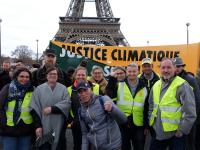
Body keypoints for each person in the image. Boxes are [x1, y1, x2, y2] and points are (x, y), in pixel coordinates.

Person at [149, 58, 196, 150]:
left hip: (175, 135)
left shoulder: (182, 85)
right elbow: (151, 105)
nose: (166, 70)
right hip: (158, 132)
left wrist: (181, 131)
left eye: (169, 67)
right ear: (160, 69)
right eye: (163, 68)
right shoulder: (156, 85)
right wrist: (151, 122)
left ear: (174, 68)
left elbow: (190, 112)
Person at [106, 63, 149, 150]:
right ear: (126, 72)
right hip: (123, 122)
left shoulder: (144, 86)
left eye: (134, 71)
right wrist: (111, 79)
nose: (132, 73)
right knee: (124, 146)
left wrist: (147, 125)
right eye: (129, 71)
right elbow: (109, 95)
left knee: (139, 147)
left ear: (138, 71)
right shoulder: (119, 84)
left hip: (139, 124)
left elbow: (147, 107)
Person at [77, 80, 127, 150]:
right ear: (78, 94)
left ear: (90, 89)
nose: (83, 94)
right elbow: (85, 133)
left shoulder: (103, 100)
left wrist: (112, 109)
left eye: (85, 90)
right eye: (80, 92)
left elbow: (124, 119)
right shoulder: (80, 111)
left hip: (112, 147)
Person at [30, 67, 71, 150]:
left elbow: (67, 103)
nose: (53, 75)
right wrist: (38, 126)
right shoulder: (39, 89)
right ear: (46, 76)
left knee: (58, 146)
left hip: (59, 126)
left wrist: (52, 109)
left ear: (57, 76)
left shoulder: (63, 88)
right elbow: (34, 108)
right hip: (44, 126)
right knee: (44, 146)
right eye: (50, 74)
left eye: (55, 74)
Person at [0, 67, 34, 150]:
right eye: (21, 76)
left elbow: (35, 110)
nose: (24, 79)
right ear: (16, 77)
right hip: (9, 129)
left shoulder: (33, 90)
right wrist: (3, 124)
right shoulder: (7, 88)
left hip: (26, 129)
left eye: (27, 77)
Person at [67, 66, 100, 150]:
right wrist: (71, 120)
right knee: (78, 146)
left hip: (93, 124)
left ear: (87, 75)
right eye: (78, 75)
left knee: (93, 146)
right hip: (77, 125)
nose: (80, 77)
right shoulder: (69, 89)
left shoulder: (95, 87)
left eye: (83, 75)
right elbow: (67, 107)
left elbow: (102, 102)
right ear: (75, 75)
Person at [174, 57, 200, 150]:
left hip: (189, 118)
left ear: (182, 67)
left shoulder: (190, 79)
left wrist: (192, 118)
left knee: (189, 144)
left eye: (178, 66)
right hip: (176, 119)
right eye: (174, 66)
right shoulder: (172, 79)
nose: (176, 68)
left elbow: (197, 100)